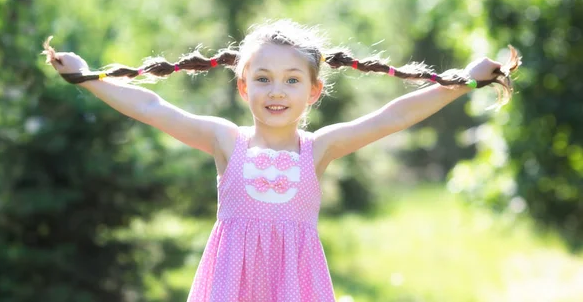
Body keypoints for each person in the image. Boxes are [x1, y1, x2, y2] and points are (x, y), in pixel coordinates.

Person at [43, 20, 520, 302]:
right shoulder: (225, 141)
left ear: (313, 91)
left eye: (292, 80)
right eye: (264, 78)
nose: (277, 91)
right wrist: (88, 77)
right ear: (243, 86)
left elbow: (395, 115)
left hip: (296, 286)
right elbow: (152, 108)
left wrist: (466, 80)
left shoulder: (320, 149)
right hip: (230, 285)